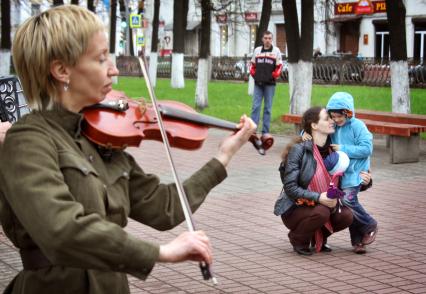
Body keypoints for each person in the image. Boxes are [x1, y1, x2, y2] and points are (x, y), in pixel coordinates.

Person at [0, 6, 257, 293]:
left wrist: (224, 156)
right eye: (100, 59)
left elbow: (163, 207)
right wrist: (160, 252)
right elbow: (61, 231)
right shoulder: (28, 140)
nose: (113, 68)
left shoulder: (97, 138)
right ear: (62, 70)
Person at [274, 107, 353, 256]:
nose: (332, 121)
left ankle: (318, 237)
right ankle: (298, 238)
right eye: (326, 119)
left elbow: (345, 184)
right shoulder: (299, 150)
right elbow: (290, 187)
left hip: (320, 206)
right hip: (296, 208)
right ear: (314, 125)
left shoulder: (334, 153)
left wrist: (365, 180)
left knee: (346, 216)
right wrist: (319, 197)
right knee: (322, 211)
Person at [326, 92, 378, 254]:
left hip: (355, 173)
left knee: (348, 200)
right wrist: (304, 134)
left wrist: (343, 149)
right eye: (333, 116)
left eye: (339, 116)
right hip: (339, 174)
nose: (336, 120)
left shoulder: (358, 126)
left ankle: (369, 224)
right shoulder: (333, 126)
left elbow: (367, 148)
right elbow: (315, 128)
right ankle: (358, 241)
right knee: (348, 207)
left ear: (348, 112)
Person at [249, 30, 282, 149]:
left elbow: (279, 67)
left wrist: (272, 76)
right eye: (266, 38)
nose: (267, 40)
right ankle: (252, 131)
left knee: (267, 108)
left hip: (270, 85)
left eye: (269, 38)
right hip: (258, 83)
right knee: (255, 107)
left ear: (271, 39)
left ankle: (265, 133)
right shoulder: (257, 51)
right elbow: (252, 65)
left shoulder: (276, 51)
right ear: (262, 39)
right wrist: (255, 75)